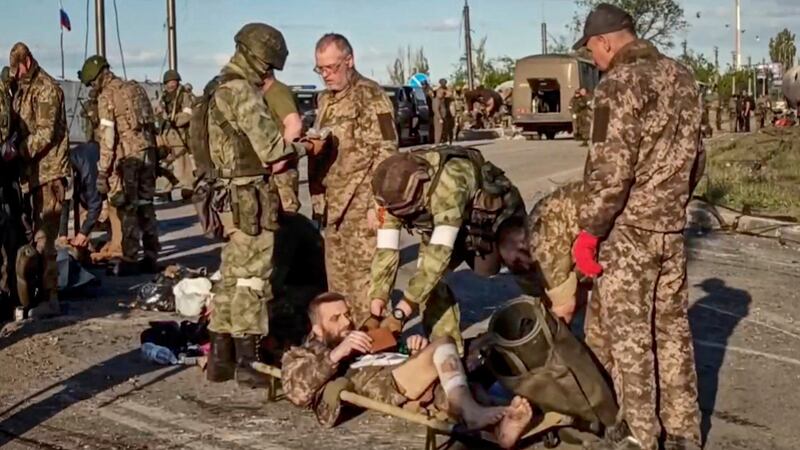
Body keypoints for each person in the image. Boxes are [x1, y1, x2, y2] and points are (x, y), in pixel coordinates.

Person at [571, 4, 704, 449]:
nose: (594, 61)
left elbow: (611, 170)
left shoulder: (618, 85)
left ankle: (641, 434)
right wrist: (673, 201)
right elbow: (697, 157)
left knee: (631, 340)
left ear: (606, 41)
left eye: (592, 52)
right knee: (672, 332)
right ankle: (684, 430)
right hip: (670, 227)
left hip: (628, 232)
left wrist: (590, 232)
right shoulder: (682, 77)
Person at [196, 23, 319, 387]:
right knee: (251, 280)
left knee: (231, 277)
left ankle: (221, 357)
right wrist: (308, 147)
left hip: (226, 196)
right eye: (268, 66)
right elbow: (273, 153)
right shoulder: (241, 92)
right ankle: (250, 364)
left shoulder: (213, 88)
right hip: (250, 199)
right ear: (255, 57)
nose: (268, 73)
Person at [281, 292, 535, 449]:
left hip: (404, 372)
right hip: (381, 383)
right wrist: (338, 353)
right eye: (335, 319)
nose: (347, 322)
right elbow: (297, 391)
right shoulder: (302, 354)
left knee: (468, 371)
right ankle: (474, 413)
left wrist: (412, 349)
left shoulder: (364, 338)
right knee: (445, 342)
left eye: (347, 314)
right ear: (316, 329)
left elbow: (395, 351)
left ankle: (501, 429)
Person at [368, 147, 525, 353]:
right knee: (431, 288)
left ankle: (548, 319)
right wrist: (377, 301)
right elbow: (386, 250)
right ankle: (448, 351)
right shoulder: (390, 192)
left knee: (521, 264)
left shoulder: (450, 184)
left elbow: (439, 255)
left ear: (420, 188)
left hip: (492, 221)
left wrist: (401, 312)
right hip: (441, 223)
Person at [312, 33, 398, 328]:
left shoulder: (371, 96)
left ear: (349, 61)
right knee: (337, 288)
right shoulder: (325, 100)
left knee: (366, 286)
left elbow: (387, 152)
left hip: (362, 205)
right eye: (320, 69)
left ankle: (377, 349)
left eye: (331, 67)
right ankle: (346, 349)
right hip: (333, 206)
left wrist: (379, 206)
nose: (326, 75)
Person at [78, 55, 160, 276]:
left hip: (129, 158)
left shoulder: (107, 97)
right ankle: (152, 255)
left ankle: (130, 257)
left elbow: (108, 138)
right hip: (148, 152)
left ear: (98, 78)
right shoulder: (135, 89)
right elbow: (152, 125)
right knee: (146, 204)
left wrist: (103, 170)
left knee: (128, 207)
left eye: (91, 83)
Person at [9, 42, 70, 317]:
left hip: (50, 174)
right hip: (34, 176)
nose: (16, 74)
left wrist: (17, 151)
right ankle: (39, 293)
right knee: (36, 236)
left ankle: (51, 297)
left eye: (18, 68)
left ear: (28, 61)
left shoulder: (46, 88)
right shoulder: (24, 89)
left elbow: (45, 133)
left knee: (46, 239)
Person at [495, 182, 584, 324]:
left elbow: (564, 308)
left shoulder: (541, 241)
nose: (515, 267)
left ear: (521, 242)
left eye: (515, 262)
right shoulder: (537, 219)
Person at [263, 66, 303, 215]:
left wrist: (279, 161)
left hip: (282, 172)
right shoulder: (267, 94)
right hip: (272, 168)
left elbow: (294, 125)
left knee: (287, 219)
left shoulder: (277, 92)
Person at [157, 69, 194, 200]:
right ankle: (167, 189)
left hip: (179, 134)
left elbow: (188, 115)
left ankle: (188, 188)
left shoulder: (184, 96)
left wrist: (174, 119)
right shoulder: (164, 97)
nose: (170, 85)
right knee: (166, 163)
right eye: (168, 82)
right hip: (165, 134)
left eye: (172, 82)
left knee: (183, 163)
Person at [58, 142, 102, 251]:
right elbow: (65, 203)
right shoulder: (63, 171)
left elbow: (95, 203)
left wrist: (83, 233)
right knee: (80, 201)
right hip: (81, 176)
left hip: (100, 173)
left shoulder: (88, 173)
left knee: (98, 210)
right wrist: (63, 234)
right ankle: (82, 240)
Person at [432, 78, 452, 144]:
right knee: (438, 132)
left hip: (445, 116)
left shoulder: (442, 99)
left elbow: (450, 94)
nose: (443, 94)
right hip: (439, 118)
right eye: (441, 93)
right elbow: (436, 110)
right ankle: (437, 144)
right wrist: (440, 118)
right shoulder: (436, 100)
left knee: (445, 130)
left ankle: (444, 142)